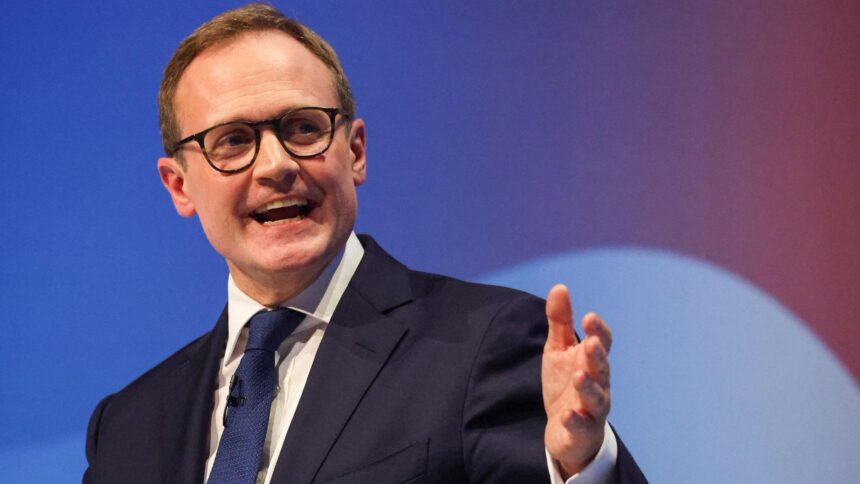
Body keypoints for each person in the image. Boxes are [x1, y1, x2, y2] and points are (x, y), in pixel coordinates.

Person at [84, 4, 646, 483]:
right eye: (233, 141)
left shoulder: (483, 346)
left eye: (304, 128)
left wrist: (579, 467)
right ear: (179, 185)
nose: (277, 165)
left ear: (354, 152)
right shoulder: (127, 428)